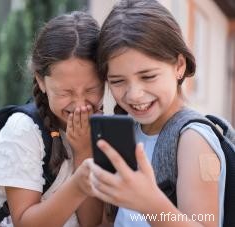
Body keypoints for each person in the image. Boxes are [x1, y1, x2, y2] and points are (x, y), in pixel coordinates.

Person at [87, 0, 226, 227]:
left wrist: (150, 204)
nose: (135, 95)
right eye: (118, 81)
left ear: (179, 66)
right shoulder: (125, 131)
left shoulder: (192, 138)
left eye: (148, 76)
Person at [0, 11, 104, 227]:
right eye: (66, 93)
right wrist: (79, 180)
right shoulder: (23, 132)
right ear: (41, 81)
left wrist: (84, 152)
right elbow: (26, 222)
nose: (80, 104)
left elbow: (91, 222)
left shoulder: (100, 127)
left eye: (91, 90)